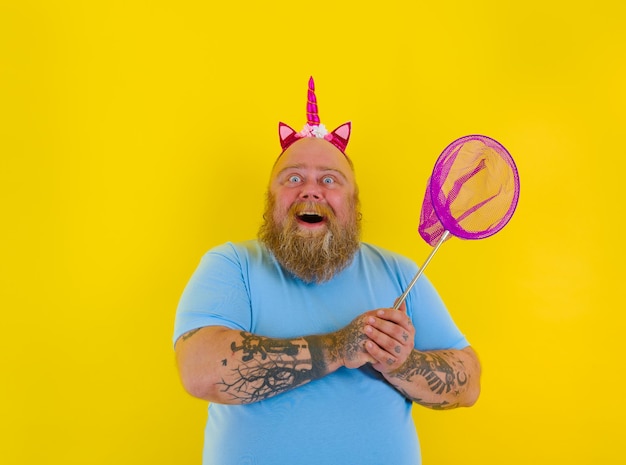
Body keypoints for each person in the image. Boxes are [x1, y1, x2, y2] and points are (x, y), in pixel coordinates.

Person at [173, 77, 481, 465]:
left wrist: (402, 363)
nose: (311, 190)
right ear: (272, 199)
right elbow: (200, 370)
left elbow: (468, 382)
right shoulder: (232, 265)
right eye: (294, 178)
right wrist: (338, 347)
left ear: (353, 202)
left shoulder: (401, 273)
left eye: (330, 180)